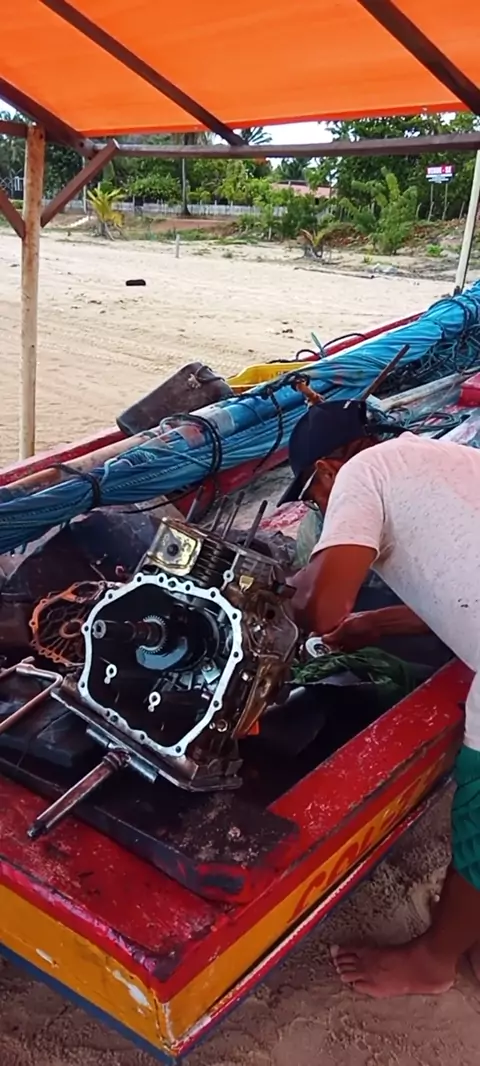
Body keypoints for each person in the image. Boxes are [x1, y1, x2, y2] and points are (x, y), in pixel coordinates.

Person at [278, 398, 480, 999]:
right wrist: (375, 625)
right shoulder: (445, 458)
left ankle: (434, 960)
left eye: (312, 497)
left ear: (327, 470)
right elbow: (460, 584)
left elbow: (323, 607)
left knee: (477, 811)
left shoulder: (361, 473)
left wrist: (287, 600)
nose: (319, 509)